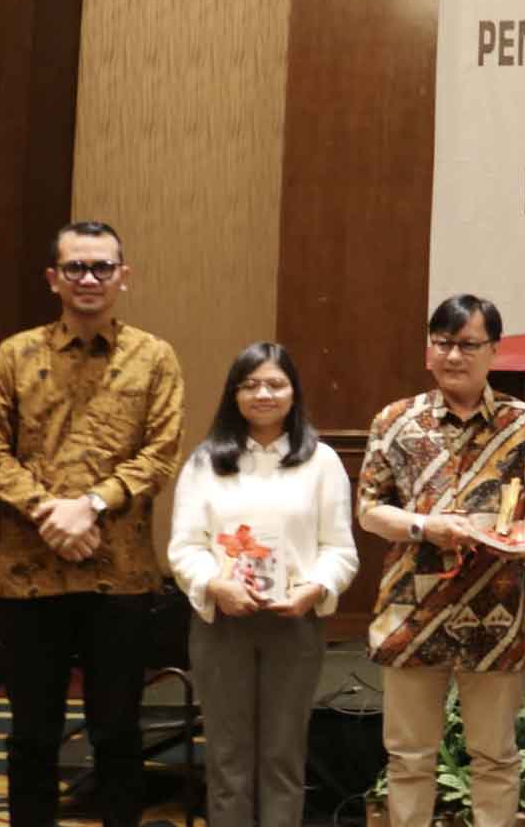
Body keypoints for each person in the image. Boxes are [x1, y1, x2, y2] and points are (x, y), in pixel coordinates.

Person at [0, 220, 185, 827]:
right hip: (28, 573)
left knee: (118, 731)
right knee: (32, 732)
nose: (89, 278)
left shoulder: (154, 357)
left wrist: (88, 505)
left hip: (121, 574)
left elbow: (160, 454)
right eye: (76, 267)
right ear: (53, 278)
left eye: (102, 267)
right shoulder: (14, 354)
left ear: (123, 276)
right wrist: (50, 512)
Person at [356, 294, 525, 827]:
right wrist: (427, 527)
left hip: (496, 611)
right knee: (409, 758)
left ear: (494, 350)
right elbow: (369, 511)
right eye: (442, 343)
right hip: (412, 611)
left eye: (468, 344)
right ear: (429, 349)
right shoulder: (395, 420)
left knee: (495, 756)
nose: (453, 356)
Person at [167, 342, 358, 827]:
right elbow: (184, 548)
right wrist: (215, 585)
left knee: (282, 757)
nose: (263, 394)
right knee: (227, 759)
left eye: (275, 384)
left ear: (294, 392)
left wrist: (315, 587)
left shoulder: (321, 462)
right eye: (250, 385)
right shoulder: (205, 462)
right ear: (234, 395)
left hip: (294, 623)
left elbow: (340, 550)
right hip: (221, 625)